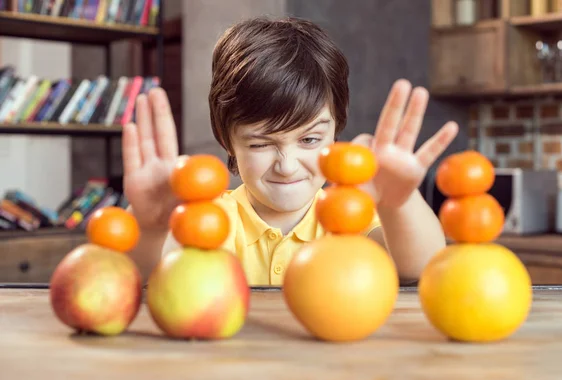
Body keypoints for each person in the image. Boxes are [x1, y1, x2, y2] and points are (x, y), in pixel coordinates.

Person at [123, 16, 458, 286]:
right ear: (227, 140)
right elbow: (140, 272)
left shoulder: (352, 215)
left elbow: (420, 267)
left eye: (309, 140)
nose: (287, 166)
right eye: (260, 144)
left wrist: (399, 204)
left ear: (335, 134)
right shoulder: (209, 216)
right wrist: (151, 229)